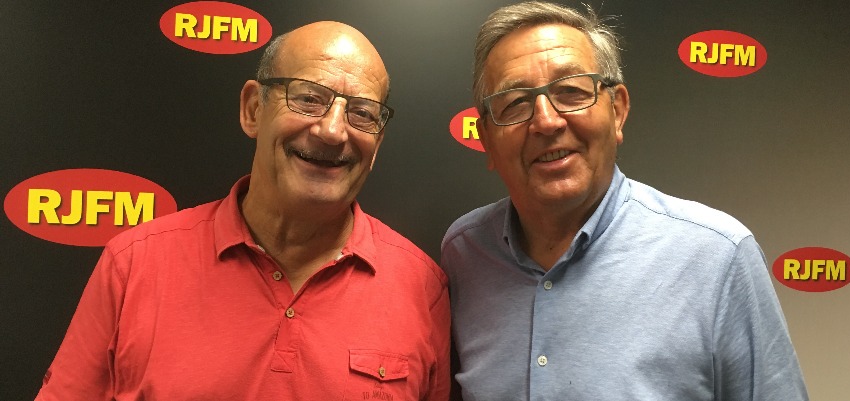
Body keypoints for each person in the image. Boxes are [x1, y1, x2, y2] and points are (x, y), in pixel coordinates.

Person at [36, 21, 450, 401]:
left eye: (361, 113)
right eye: (309, 99)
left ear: (377, 143)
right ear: (254, 109)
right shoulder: (133, 265)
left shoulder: (422, 288)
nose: (332, 130)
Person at [441, 2, 808, 400]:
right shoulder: (465, 253)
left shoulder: (718, 257)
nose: (546, 121)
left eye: (571, 91)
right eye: (515, 102)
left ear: (617, 111)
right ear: (485, 139)